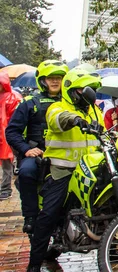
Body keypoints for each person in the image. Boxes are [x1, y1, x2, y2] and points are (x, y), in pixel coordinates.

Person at [27, 69, 104, 272]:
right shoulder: (57, 106)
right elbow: (57, 119)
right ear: (72, 90)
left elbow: (105, 135)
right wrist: (74, 120)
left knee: (108, 208)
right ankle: (34, 264)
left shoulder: (96, 112)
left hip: (89, 171)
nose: (88, 94)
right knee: (49, 214)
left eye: (91, 90)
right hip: (63, 170)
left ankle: (113, 248)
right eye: (84, 90)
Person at [5, 60, 68, 233]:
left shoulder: (70, 104)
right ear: (43, 80)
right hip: (38, 154)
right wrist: (26, 149)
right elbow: (12, 132)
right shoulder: (29, 103)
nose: (55, 81)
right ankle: (31, 216)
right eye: (51, 78)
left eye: (59, 78)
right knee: (26, 172)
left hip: (66, 154)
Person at [0, 72, 21, 201]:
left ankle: (5, 189)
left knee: (7, 162)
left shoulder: (12, 98)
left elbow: (16, 118)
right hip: (5, 134)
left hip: (6, 135)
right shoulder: (11, 98)